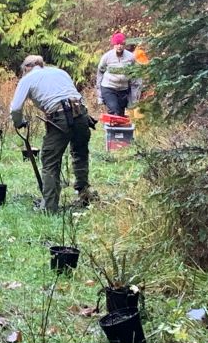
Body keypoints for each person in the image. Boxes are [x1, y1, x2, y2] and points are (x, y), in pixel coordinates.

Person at [10, 55, 95, 213]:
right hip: (81, 114)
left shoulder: (27, 79)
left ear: (26, 68)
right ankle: (83, 193)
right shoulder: (60, 72)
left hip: (60, 117)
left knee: (50, 163)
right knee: (80, 153)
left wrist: (18, 122)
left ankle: (49, 208)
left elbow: (15, 108)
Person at [96, 32, 137, 116]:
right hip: (108, 88)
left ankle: (115, 128)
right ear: (114, 45)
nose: (119, 46)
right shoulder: (107, 57)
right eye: (117, 44)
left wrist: (133, 98)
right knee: (114, 110)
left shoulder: (131, 57)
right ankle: (111, 127)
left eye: (121, 44)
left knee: (120, 114)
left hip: (123, 90)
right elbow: (100, 73)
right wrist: (99, 95)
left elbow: (135, 76)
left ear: (124, 45)